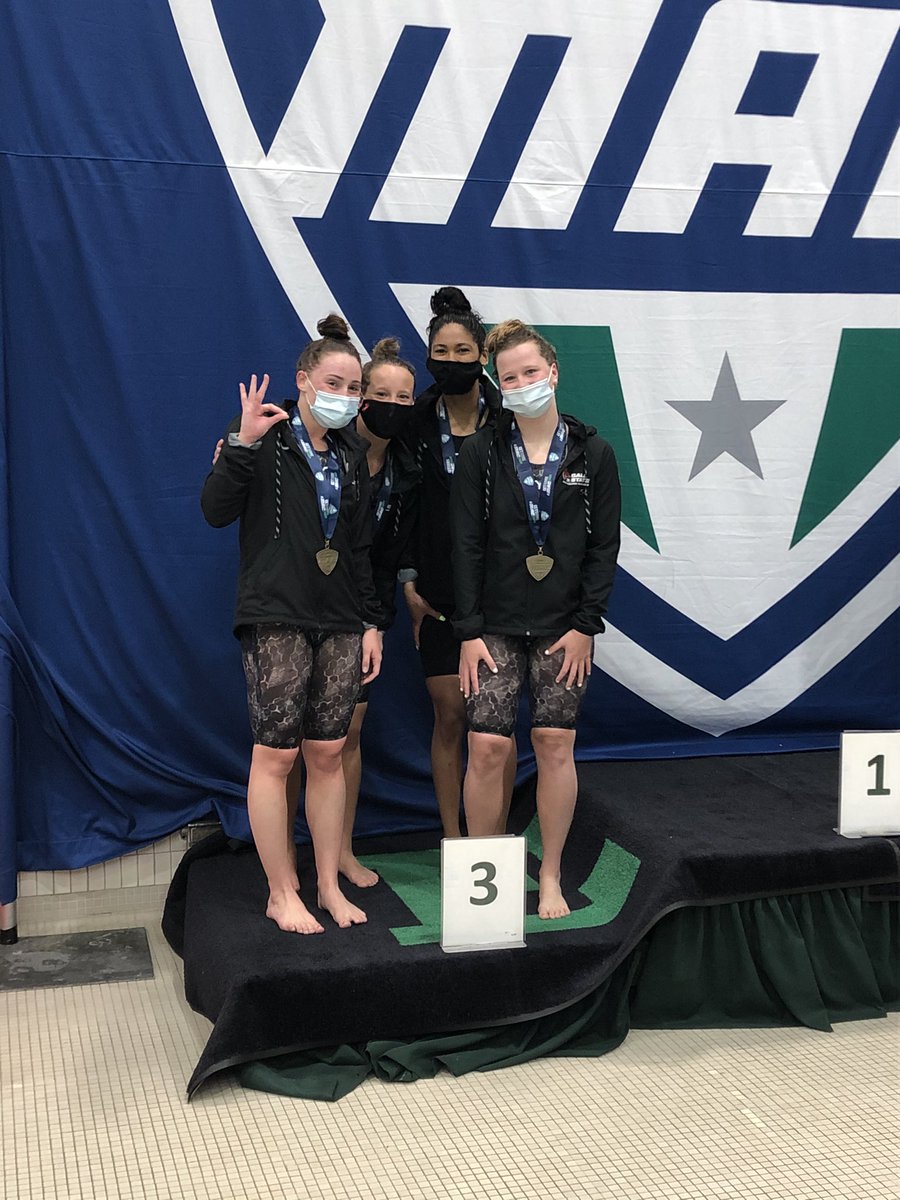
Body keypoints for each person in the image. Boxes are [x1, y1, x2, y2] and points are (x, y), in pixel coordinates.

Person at [201, 314, 382, 934]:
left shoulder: (354, 453)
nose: (345, 396)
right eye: (334, 382)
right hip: (275, 613)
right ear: (304, 380)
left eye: (354, 388)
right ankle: (283, 890)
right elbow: (215, 511)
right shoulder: (264, 434)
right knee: (276, 757)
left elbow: (357, 548)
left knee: (328, 753)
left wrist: (372, 623)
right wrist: (244, 443)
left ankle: (328, 883)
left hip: (340, 621)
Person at [450, 319, 621, 919]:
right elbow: (464, 545)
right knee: (488, 747)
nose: (521, 384)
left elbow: (603, 549)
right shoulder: (480, 452)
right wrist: (467, 632)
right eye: (508, 377)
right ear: (498, 386)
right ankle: (483, 873)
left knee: (553, 744)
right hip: (491, 628)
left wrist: (586, 626)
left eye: (530, 372)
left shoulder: (593, 452)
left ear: (553, 373)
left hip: (563, 630)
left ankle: (549, 875)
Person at [400, 287, 517, 838]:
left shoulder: (510, 417)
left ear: (482, 357)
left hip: (502, 591)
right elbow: (395, 506)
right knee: (451, 716)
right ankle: (455, 839)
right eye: (440, 352)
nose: (451, 362)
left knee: (495, 728)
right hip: (438, 594)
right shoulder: (415, 418)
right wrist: (407, 581)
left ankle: (491, 840)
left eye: (463, 352)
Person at [331, 337, 419, 886]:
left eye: (402, 396)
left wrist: (385, 611)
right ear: (362, 396)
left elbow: (394, 551)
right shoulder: (326, 449)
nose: (389, 403)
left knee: (350, 732)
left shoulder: (406, 465)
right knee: (299, 740)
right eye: (379, 392)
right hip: (309, 608)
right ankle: (298, 852)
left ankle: (341, 849)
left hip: (367, 612)